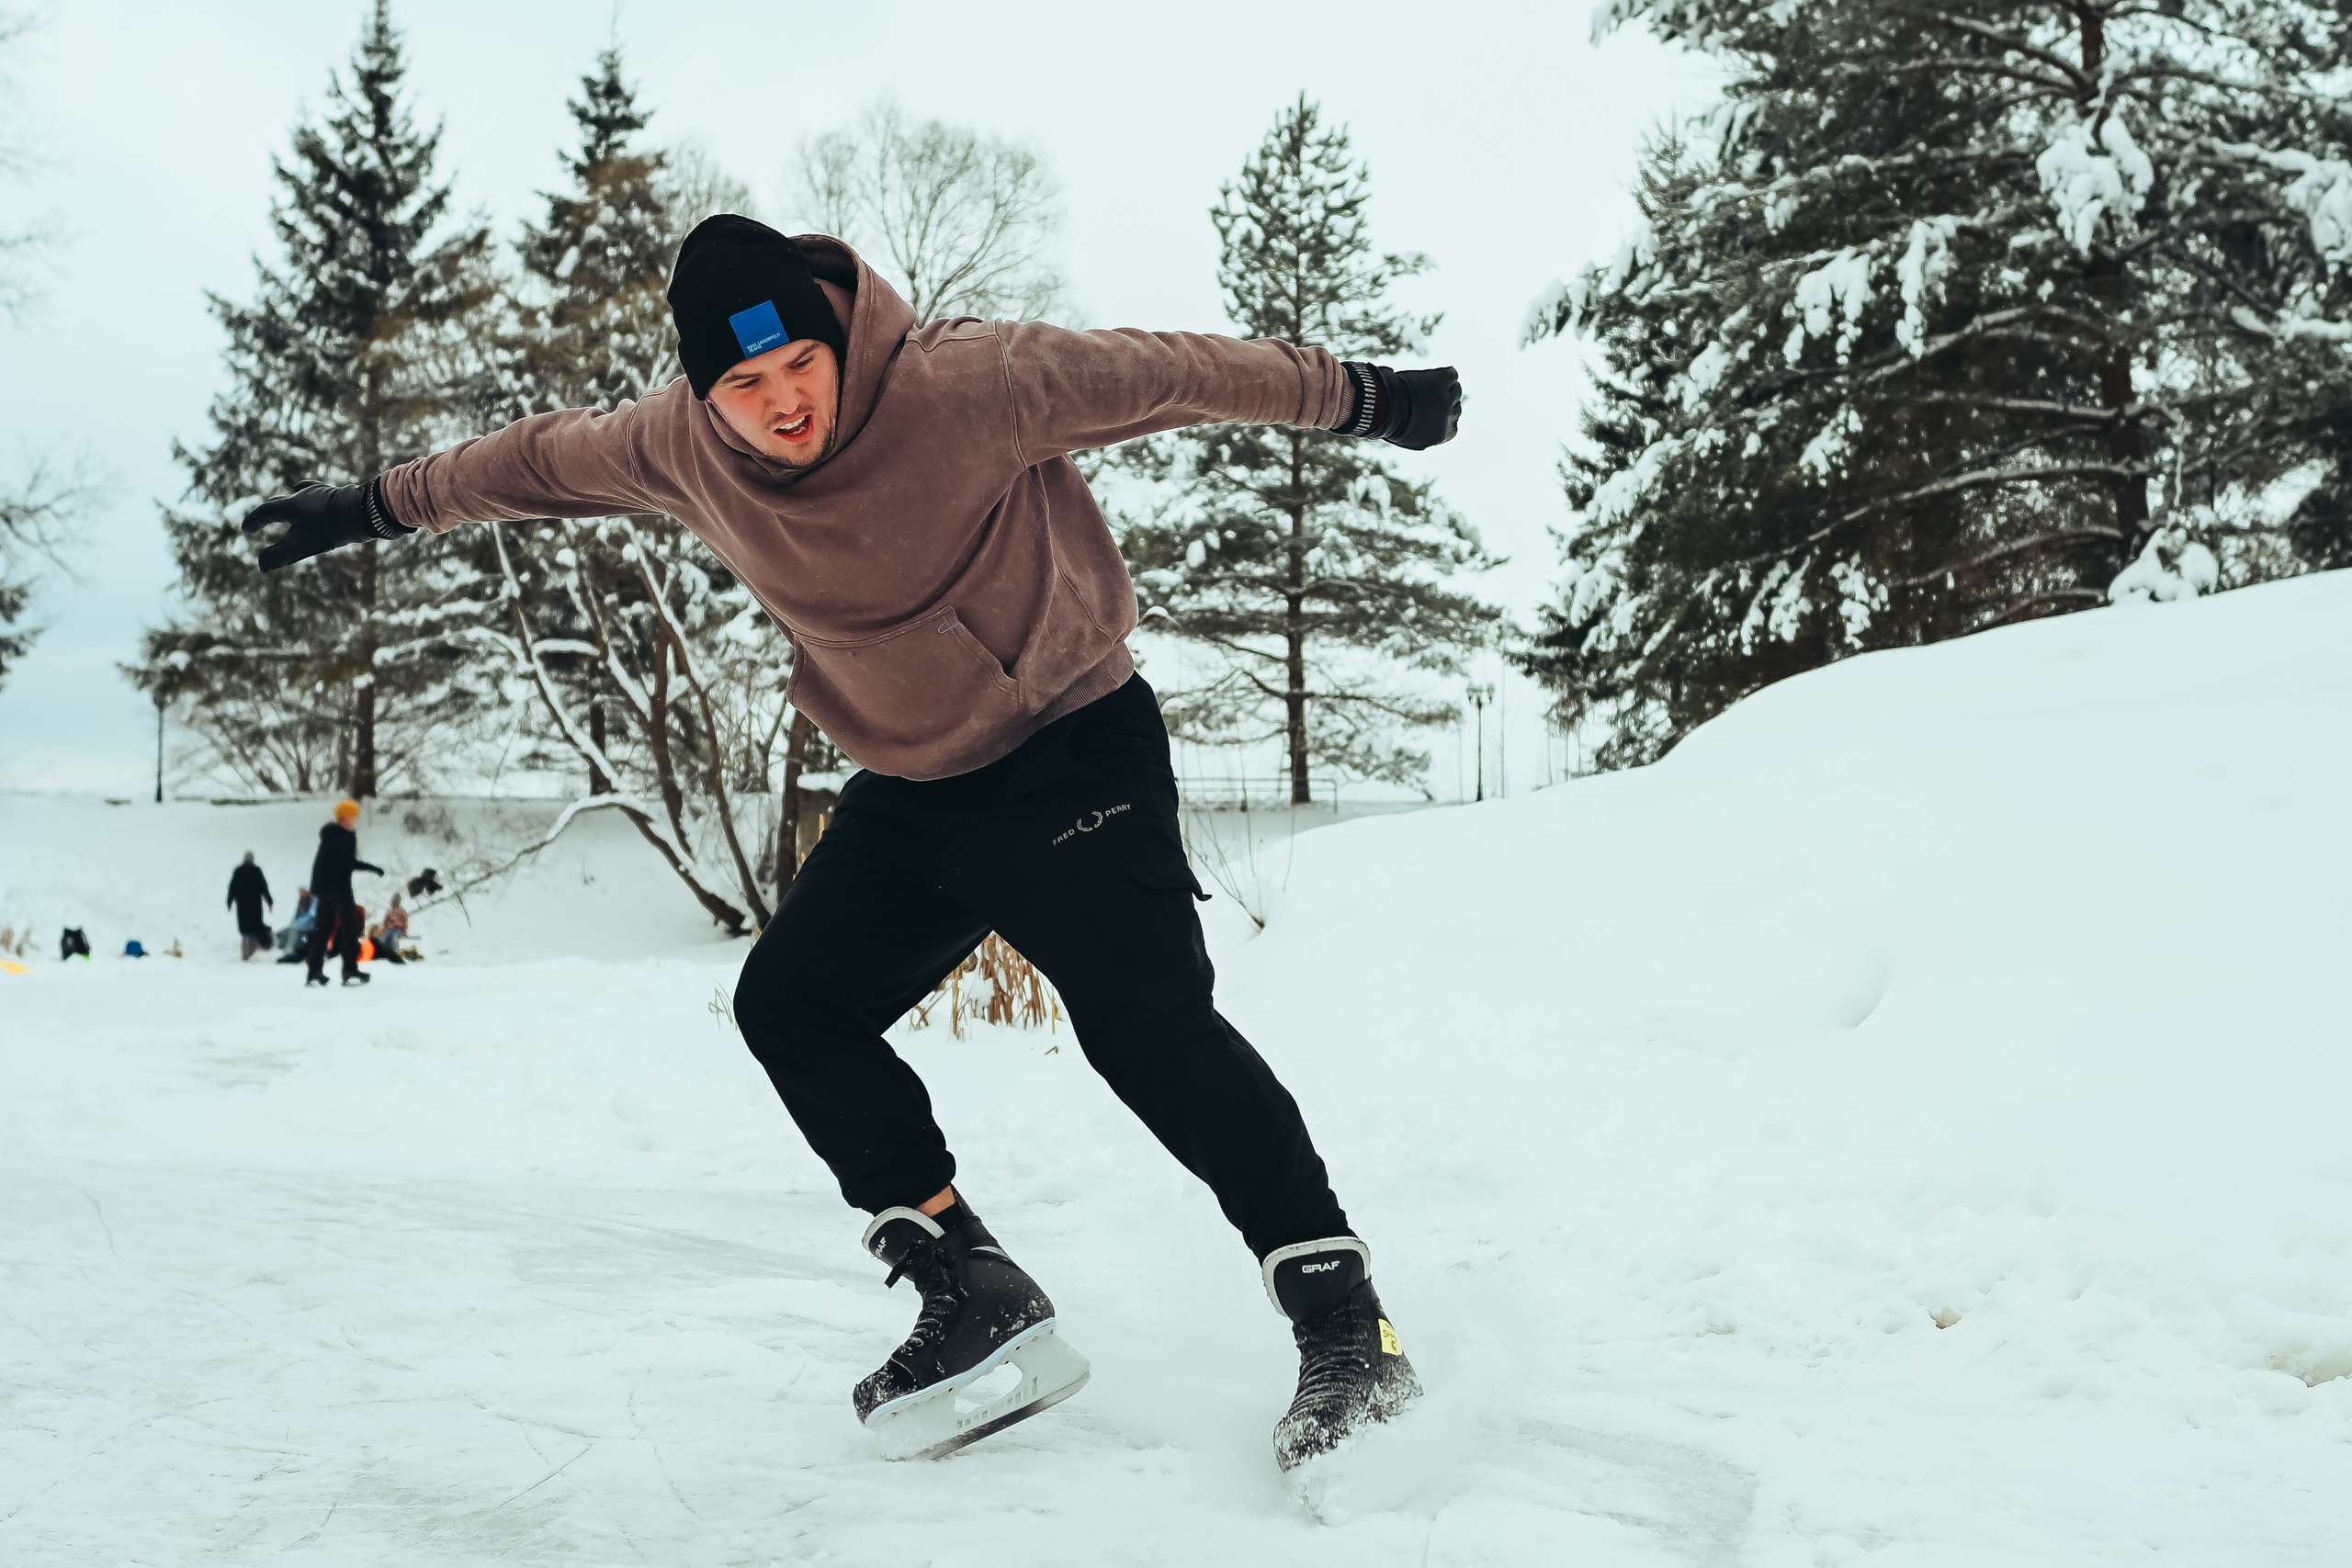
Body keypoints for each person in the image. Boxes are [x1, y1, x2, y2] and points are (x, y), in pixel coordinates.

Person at [240, 218, 1456, 1470]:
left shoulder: (972, 382)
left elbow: (1180, 371)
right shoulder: (678, 444)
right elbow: (531, 461)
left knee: (1144, 1022)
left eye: (797, 368)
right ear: (707, 393)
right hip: (919, 784)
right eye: (743, 385)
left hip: (1071, 745)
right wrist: (366, 508)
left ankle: (1345, 1325)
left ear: (836, 339)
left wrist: (1364, 395)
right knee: (794, 1004)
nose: (780, 404)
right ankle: (967, 1275)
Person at [303, 800, 380, 988]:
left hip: (323, 890)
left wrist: (371, 867)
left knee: (323, 929)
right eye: (354, 816)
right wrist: (342, 893)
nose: (356, 819)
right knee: (351, 928)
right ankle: (350, 970)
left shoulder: (330, 835)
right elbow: (343, 865)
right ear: (345, 818)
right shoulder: (345, 836)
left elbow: (335, 863)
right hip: (338, 890)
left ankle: (314, 972)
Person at [227, 851, 275, 961]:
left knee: (245, 930)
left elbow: (232, 888)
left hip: (242, 906)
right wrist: (269, 902)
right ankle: (251, 952)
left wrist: (229, 902)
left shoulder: (238, 871)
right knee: (254, 928)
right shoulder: (256, 871)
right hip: (255, 905)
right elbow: (264, 887)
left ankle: (245, 953)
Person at [276, 887, 316, 963]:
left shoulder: (313, 900)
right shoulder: (301, 901)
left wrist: (297, 924)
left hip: (310, 926)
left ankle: (290, 950)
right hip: (299, 925)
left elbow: (311, 916)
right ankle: (283, 949)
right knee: (283, 932)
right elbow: (296, 916)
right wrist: (293, 923)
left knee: (294, 931)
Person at [369, 894, 412, 964]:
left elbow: (405, 922)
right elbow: (385, 922)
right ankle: (381, 950)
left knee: (394, 937)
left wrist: (404, 931)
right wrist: (383, 930)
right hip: (389, 928)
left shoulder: (401, 911)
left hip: (399, 929)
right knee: (385, 937)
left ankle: (394, 952)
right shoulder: (389, 912)